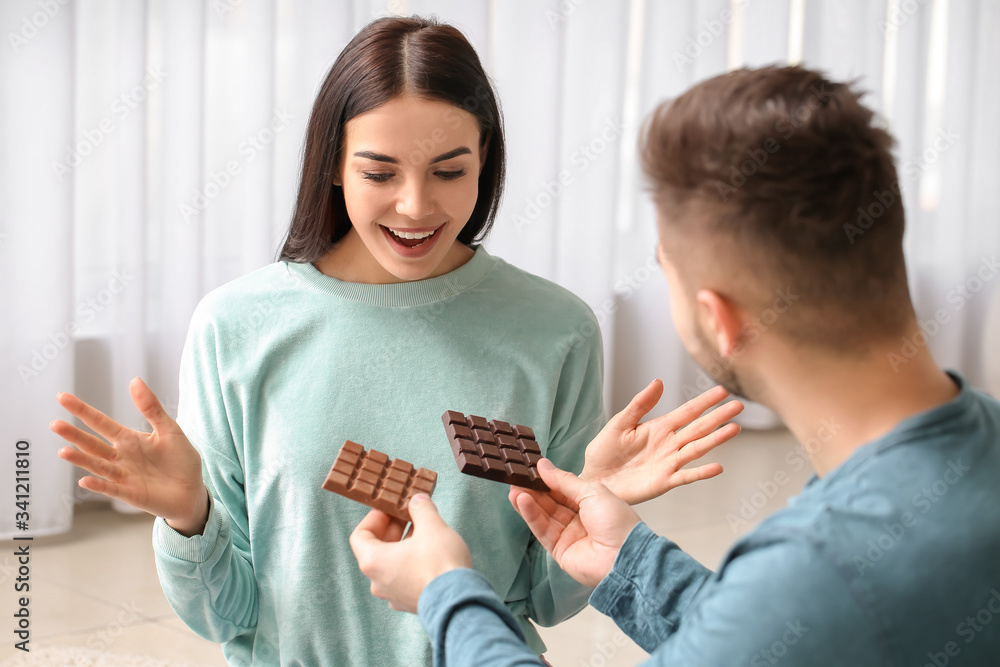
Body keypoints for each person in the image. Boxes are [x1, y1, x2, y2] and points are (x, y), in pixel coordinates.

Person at [50, 16, 743, 666]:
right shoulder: (234, 326)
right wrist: (188, 516)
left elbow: (542, 601)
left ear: (485, 161)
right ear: (333, 164)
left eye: (449, 170)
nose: (416, 205)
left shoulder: (555, 328)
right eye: (380, 172)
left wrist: (595, 510)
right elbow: (225, 614)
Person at [350, 65, 1000, 665]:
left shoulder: (816, 573)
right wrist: (630, 566)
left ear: (723, 318)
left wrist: (446, 590)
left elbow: (788, 616)